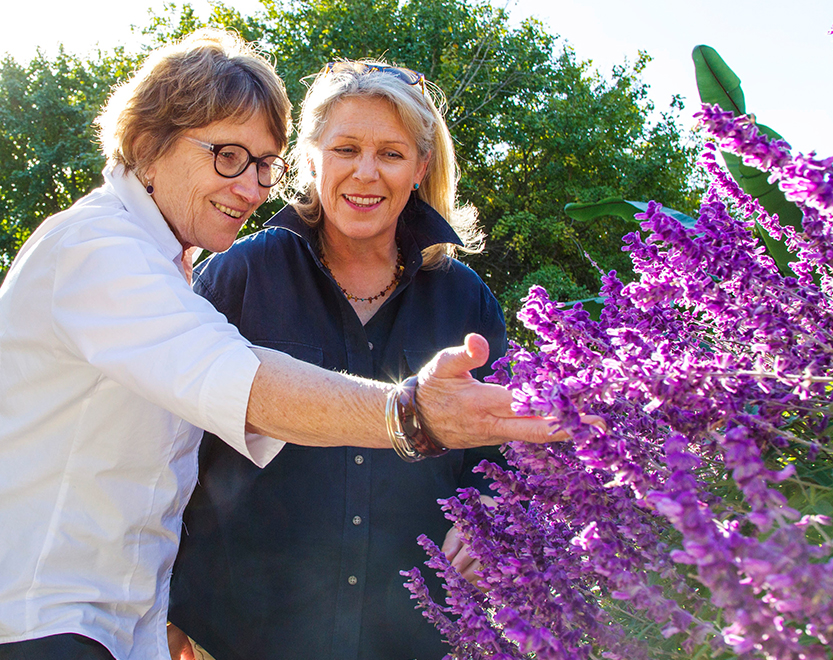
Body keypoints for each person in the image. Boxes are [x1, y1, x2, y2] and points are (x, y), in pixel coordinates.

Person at [0, 33, 565, 660]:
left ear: (420, 168)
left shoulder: (167, 267)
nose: (250, 187)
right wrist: (413, 413)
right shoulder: (100, 252)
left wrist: (488, 512)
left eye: (262, 163)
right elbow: (240, 385)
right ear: (146, 147)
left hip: (142, 626)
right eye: (228, 157)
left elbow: (166, 464)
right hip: (52, 618)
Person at [167, 60, 507, 660]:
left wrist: (490, 518)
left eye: (392, 153)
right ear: (309, 157)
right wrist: (162, 609)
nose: (366, 173)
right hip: (239, 635)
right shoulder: (239, 275)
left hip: (411, 638)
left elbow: (504, 460)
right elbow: (162, 447)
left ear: (420, 167)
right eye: (346, 147)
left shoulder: (465, 298)